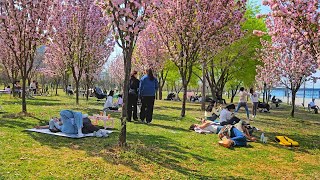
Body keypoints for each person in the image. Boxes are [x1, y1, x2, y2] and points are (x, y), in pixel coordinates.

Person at [35, 111, 108, 137]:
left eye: (55, 118)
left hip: (75, 128)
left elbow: (49, 127)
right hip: (68, 127)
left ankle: (99, 132)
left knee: (86, 127)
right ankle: (79, 115)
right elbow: (50, 126)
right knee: (63, 112)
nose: (55, 118)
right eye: (54, 118)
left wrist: (40, 127)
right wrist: (57, 122)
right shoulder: (58, 122)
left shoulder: (61, 121)